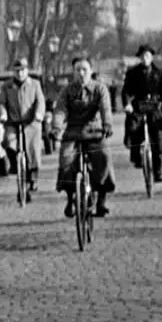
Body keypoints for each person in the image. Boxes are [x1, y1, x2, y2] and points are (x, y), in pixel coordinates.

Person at [53, 55, 115, 218]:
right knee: (65, 159)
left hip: (95, 131)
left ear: (91, 71)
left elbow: (105, 108)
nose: (81, 73)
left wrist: (107, 124)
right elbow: (60, 110)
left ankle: (101, 198)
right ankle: (70, 197)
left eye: (84, 70)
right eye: (77, 70)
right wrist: (56, 128)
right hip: (73, 132)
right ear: (73, 72)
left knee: (104, 156)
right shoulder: (67, 91)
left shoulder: (100, 88)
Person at [122, 44, 162, 182]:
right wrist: (127, 104)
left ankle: (157, 171)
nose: (145, 58)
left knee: (158, 138)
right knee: (133, 126)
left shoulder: (160, 73)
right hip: (138, 106)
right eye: (143, 56)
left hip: (155, 106)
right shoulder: (132, 73)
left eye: (148, 56)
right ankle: (136, 156)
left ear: (152, 57)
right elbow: (126, 91)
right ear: (139, 57)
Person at [0, 57, 46, 197]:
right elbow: (1, 103)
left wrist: (39, 114)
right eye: (17, 70)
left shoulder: (35, 84)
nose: (20, 73)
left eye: (23, 70)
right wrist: (3, 114)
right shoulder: (7, 86)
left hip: (31, 122)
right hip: (13, 122)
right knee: (9, 141)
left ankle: (33, 178)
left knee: (33, 149)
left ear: (27, 70)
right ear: (13, 71)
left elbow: (40, 101)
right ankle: (14, 164)